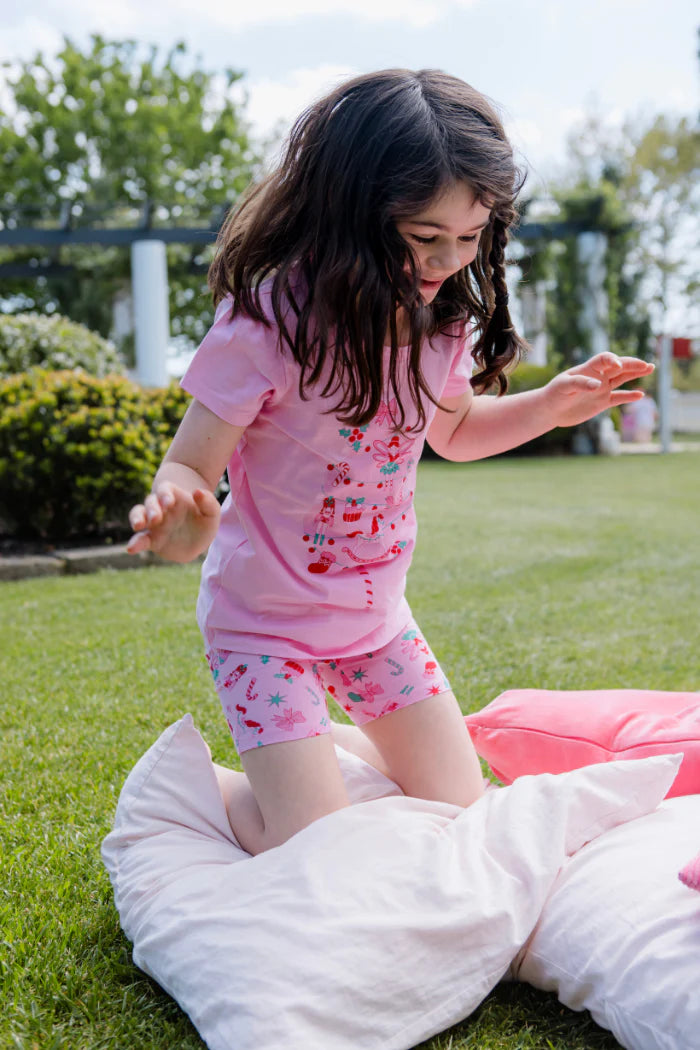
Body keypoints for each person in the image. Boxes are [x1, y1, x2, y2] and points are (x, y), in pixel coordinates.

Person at [127, 69, 653, 855]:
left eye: (471, 237)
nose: (449, 259)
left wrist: (550, 405)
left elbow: (457, 431)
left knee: (462, 812)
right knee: (312, 848)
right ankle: (211, 792)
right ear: (352, 214)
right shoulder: (270, 324)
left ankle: (319, 753)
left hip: (377, 625)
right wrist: (181, 512)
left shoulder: (438, 322)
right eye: (424, 237)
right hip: (263, 628)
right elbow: (191, 469)